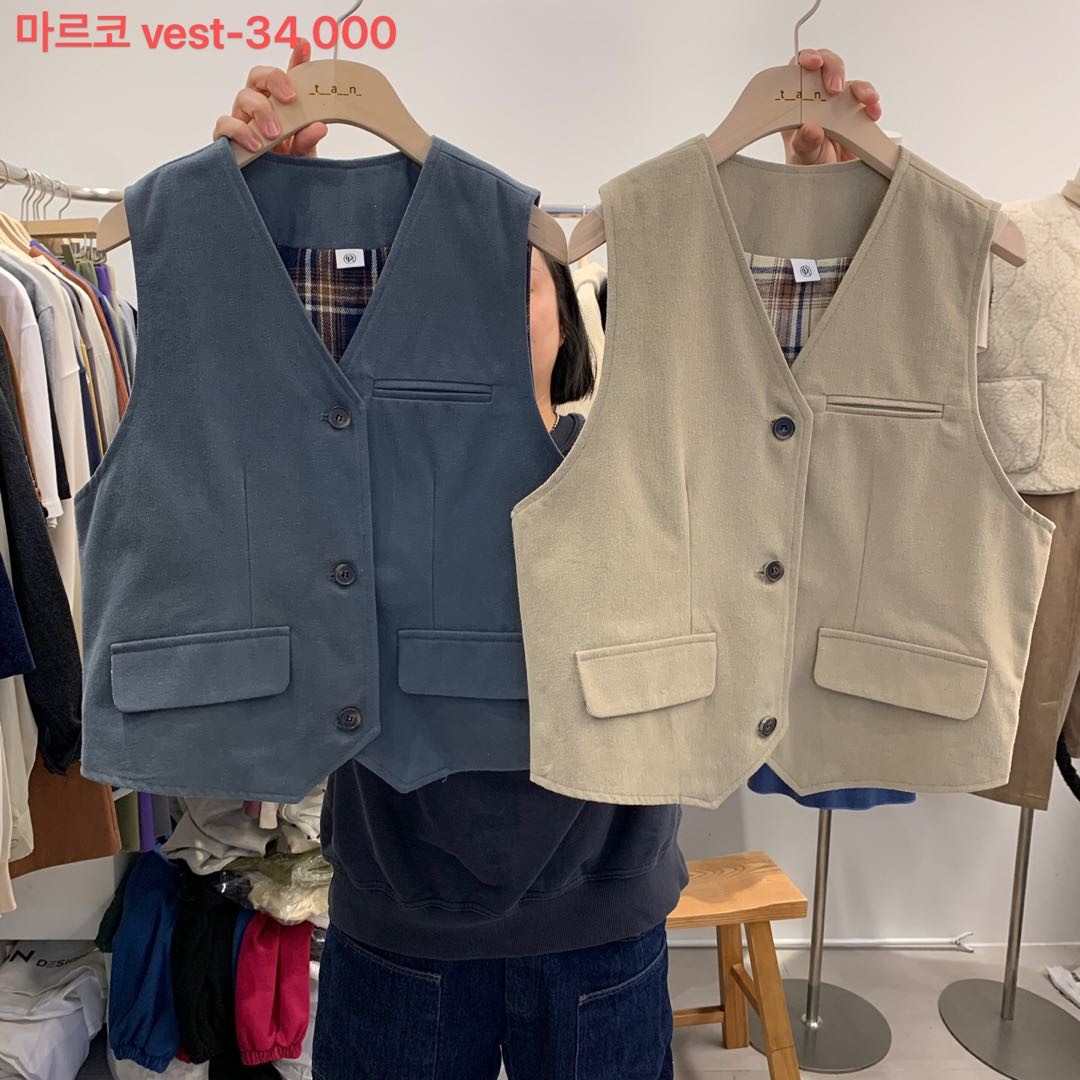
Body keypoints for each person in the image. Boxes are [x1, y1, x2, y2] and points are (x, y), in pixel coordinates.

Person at [212, 41, 882, 1079]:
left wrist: (822, 220)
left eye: (514, 280)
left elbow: (793, 436)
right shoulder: (347, 468)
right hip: (400, 930)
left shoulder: (650, 467)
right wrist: (255, 212)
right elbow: (238, 415)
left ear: (566, 319)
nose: (481, 305)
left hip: (598, 930)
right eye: (450, 283)